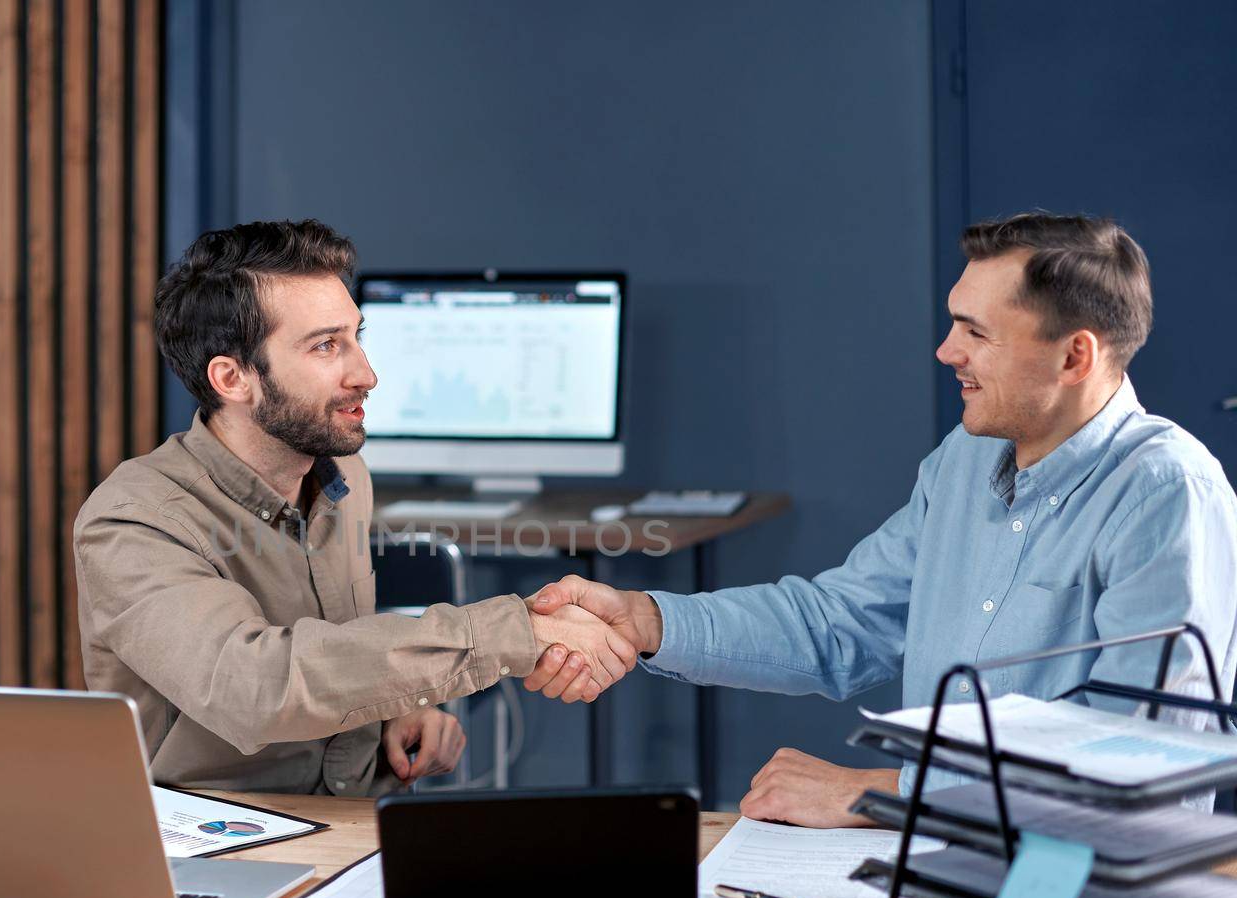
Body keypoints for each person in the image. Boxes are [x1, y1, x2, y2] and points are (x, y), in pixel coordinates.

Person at [526, 211, 1237, 825]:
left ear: (1074, 355)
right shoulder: (963, 460)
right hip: (934, 867)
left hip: (1067, 896)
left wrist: (884, 792)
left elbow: (1141, 766)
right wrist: (647, 619)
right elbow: (840, 623)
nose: (946, 351)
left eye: (975, 332)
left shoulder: (1165, 494)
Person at [73, 219, 633, 796]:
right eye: (325, 346)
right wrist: (515, 633)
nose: (366, 374)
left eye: (356, 336)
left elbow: (337, 655)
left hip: (360, 820)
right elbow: (258, 690)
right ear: (232, 378)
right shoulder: (134, 521)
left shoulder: (344, 476)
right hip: (227, 845)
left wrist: (391, 713)